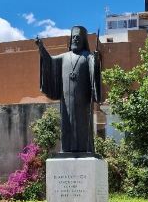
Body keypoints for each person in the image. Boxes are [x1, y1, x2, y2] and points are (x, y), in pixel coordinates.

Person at [36, 25, 102, 153]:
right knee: (67, 124)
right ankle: (66, 149)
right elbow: (49, 62)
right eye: (73, 37)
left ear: (83, 40)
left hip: (82, 101)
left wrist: (97, 59)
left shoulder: (87, 56)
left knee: (83, 125)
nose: (75, 40)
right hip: (66, 101)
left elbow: (94, 66)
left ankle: (85, 149)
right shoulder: (63, 57)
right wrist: (41, 48)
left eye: (78, 38)